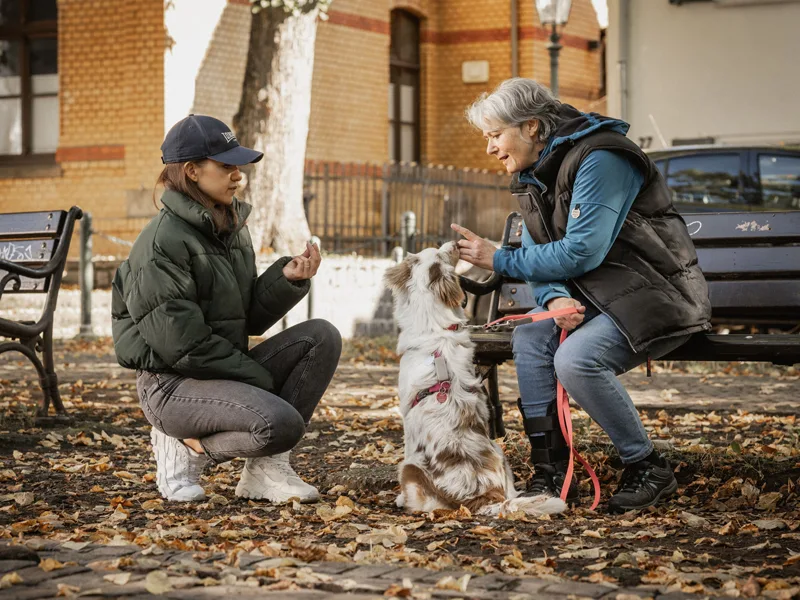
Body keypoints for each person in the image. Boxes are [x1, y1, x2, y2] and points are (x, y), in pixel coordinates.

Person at [452, 79, 711, 513]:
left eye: (495, 135)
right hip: (597, 296)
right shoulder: (534, 172)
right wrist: (553, 299)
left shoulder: (603, 157)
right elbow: (538, 247)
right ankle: (551, 471)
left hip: (656, 294)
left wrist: (498, 261)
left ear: (532, 126)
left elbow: (581, 250)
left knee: (577, 360)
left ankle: (647, 464)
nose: (490, 148)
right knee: (532, 339)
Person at [111, 114, 341, 503]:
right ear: (192, 171)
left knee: (321, 337)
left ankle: (265, 472)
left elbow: (244, 316)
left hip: (220, 370)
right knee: (281, 422)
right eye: (227, 166)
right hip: (171, 385)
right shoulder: (160, 244)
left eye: (239, 167)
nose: (238, 176)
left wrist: (287, 278)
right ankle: (183, 446)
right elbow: (182, 346)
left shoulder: (229, 228)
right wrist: (259, 379)